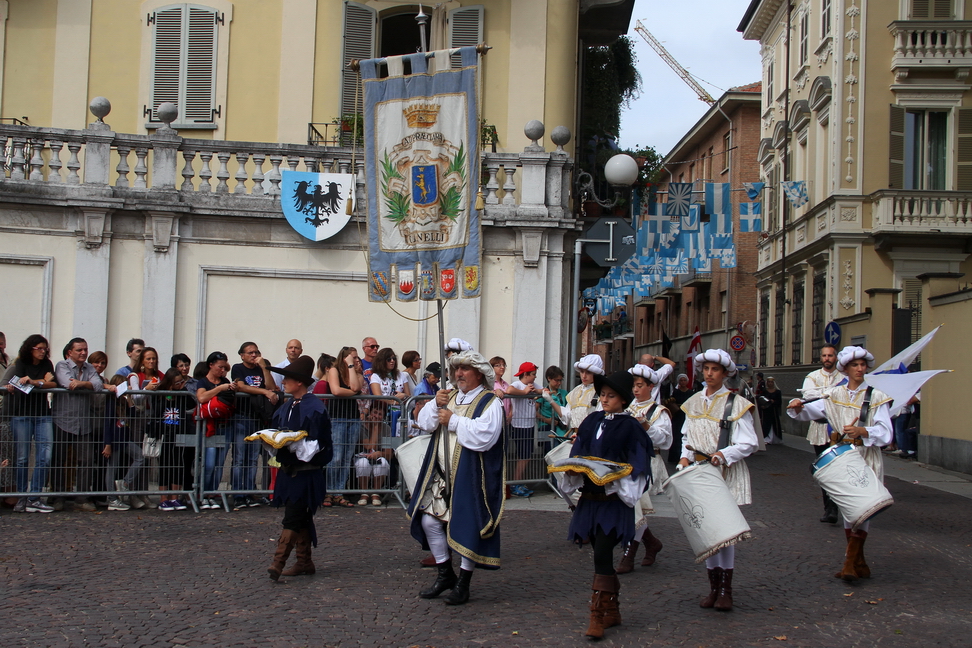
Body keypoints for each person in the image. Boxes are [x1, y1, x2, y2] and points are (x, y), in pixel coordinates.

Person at [787, 345, 893, 582]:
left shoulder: (875, 396)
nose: (859, 368)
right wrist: (797, 405)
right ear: (845, 368)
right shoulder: (834, 393)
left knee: (862, 510)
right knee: (848, 509)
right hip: (842, 456)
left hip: (864, 456)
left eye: (863, 365)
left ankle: (849, 563)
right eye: (854, 365)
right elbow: (812, 410)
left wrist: (862, 430)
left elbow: (886, 433)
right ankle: (858, 562)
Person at [559, 370, 650, 639]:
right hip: (590, 500)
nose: (605, 399)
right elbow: (578, 454)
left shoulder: (631, 427)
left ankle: (596, 615)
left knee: (602, 553)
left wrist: (614, 482)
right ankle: (613, 610)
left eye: (611, 396)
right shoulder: (590, 421)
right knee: (601, 556)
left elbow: (638, 466)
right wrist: (573, 471)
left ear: (623, 399)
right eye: (603, 395)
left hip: (614, 502)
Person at [410, 349, 505, 606]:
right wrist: (434, 404)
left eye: (465, 369)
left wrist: (454, 421)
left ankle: (464, 582)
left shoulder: (490, 402)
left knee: (465, 526)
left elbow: (486, 436)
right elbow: (425, 424)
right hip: (441, 473)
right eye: (456, 369)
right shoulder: (448, 396)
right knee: (430, 522)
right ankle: (445, 574)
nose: (458, 374)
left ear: (479, 374)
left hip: (470, 474)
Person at [678, 349, 758, 612]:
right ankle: (713, 587)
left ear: (725, 373)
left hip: (723, 472)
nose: (710, 374)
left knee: (725, 531)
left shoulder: (735, 404)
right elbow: (686, 437)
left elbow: (749, 442)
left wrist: (724, 454)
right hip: (699, 474)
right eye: (706, 369)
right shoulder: (692, 402)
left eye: (715, 369)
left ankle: (726, 589)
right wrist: (684, 459)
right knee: (707, 530)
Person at [264, 356, 333, 580]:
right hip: (288, 471)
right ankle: (305, 562)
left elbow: (317, 443)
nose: (284, 383)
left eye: (288, 379)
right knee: (300, 516)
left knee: (293, 517)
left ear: (300, 382)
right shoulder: (287, 407)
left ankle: (278, 562)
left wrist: (292, 444)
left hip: (306, 474)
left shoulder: (314, 408)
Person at [616, 363, 672, 574]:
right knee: (632, 506)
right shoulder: (628, 408)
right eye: (634, 386)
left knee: (635, 507)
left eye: (640, 385)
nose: (636, 390)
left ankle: (629, 554)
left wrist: (646, 425)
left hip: (648, 463)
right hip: (628, 463)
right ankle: (651, 542)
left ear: (651, 386)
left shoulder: (659, 411)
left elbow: (665, 440)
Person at [1, 335, 56, 513]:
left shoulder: (47, 364)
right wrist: (41, 382)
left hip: (42, 414)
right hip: (21, 415)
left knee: (44, 456)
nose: (43, 352)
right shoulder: (19, 364)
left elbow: (53, 383)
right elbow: (9, 383)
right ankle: (22, 497)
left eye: (45, 348)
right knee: (22, 458)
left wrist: (34, 382)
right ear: (30, 348)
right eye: (39, 348)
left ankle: (35, 497)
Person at [51, 338, 105, 512]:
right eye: (79, 350)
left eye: (85, 349)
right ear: (70, 352)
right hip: (63, 419)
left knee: (87, 460)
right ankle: (57, 497)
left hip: (84, 422)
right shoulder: (62, 365)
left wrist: (82, 383)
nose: (83, 353)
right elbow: (67, 384)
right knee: (59, 460)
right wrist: (85, 385)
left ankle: (82, 498)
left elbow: (97, 385)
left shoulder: (89, 368)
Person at [231, 342, 279, 509]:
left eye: (256, 352)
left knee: (252, 459)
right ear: (242, 355)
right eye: (250, 352)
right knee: (239, 458)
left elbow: (272, 387)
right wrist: (265, 392)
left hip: (258, 418)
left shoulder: (262, 368)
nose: (253, 355)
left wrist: (265, 367)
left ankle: (250, 492)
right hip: (242, 416)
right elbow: (241, 387)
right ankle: (238, 494)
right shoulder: (238, 368)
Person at [800, 345, 844, 522]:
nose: (827, 358)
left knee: (840, 470)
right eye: (824, 355)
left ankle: (840, 507)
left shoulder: (843, 378)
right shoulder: (812, 377)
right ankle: (829, 509)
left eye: (830, 355)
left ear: (836, 358)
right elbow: (810, 400)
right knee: (825, 469)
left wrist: (825, 397)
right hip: (819, 429)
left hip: (839, 430)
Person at [361, 347, 409, 505]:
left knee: (400, 450)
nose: (392, 361)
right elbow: (378, 396)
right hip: (386, 416)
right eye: (389, 359)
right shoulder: (376, 376)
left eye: (394, 358)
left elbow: (408, 395)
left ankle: (401, 487)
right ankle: (378, 489)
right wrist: (396, 400)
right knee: (385, 449)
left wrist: (403, 397)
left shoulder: (402, 375)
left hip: (401, 417)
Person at [196, 351, 238, 510]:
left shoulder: (225, 380)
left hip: (224, 425)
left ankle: (212, 493)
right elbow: (201, 398)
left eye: (224, 367)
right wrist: (220, 389)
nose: (222, 370)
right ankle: (203, 493)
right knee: (209, 463)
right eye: (220, 367)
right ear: (211, 365)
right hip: (209, 428)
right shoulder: (203, 382)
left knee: (219, 464)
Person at [324, 346, 363, 508]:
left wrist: (351, 368)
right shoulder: (334, 371)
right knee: (336, 456)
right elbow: (336, 390)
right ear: (345, 357)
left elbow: (355, 387)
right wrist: (354, 393)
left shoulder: (357, 374)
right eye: (352, 357)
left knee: (347, 457)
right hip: (337, 417)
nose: (356, 360)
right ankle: (328, 491)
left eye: (356, 357)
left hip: (352, 418)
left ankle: (339, 492)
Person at [155, 367, 194, 511]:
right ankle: (163, 498)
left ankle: (175, 497)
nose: (180, 384)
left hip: (179, 432)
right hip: (165, 433)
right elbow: (158, 410)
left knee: (178, 465)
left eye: (181, 382)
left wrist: (183, 390)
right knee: (165, 466)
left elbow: (192, 404)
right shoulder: (161, 394)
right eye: (177, 382)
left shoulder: (184, 393)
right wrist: (170, 394)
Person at [506, 362, 541, 495]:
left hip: (529, 424)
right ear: (525, 374)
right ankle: (516, 483)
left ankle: (518, 482)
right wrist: (524, 392)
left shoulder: (533, 385)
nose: (535, 377)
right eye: (533, 374)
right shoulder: (517, 385)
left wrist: (536, 391)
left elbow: (545, 391)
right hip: (519, 425)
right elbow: (509, 391)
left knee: (527, 455)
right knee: (524, 455)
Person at [566, 354, 605, 436]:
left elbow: (599, 418)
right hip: (575, 435)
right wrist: (551, 401)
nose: (584, 376)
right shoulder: (575, 391)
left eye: (588, 372)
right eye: (582, 372)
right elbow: (567, 416)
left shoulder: (600, 391)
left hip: (591, 435)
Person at [537, 365, 569, 452]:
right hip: (546, 427)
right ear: (549, 378)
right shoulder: (543, 393)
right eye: (556, 380)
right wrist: (547, 420)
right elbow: (534, 412)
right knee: (549, 452)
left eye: (560, 380)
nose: (559, 383)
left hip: (561, 427)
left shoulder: (564, 393)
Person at [666, 373, 695, 463]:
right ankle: (674, 457)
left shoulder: (691, 393)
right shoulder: (675, 392)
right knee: (676, 436)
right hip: (677, 416)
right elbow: (670, 402)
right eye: (681, 380)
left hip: (686, 415)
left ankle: (686, 456)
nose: (683, 382)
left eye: (684, 380)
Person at [758, 377, 783, 445]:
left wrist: (773, 401)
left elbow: (779, 402)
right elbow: (761, 399)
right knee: (766, 424)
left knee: (775, 424)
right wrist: (762, 405)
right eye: (769, 382)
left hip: (774, 410)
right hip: (766, 410)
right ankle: (766, 438)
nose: (770, 383)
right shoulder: (764, 391)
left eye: (771, 382)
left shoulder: (778, 392)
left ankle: (775, 438)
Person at [489, 356, 513, 424]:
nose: (502, 367)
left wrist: (511, 414)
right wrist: (494, 392)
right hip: (494, 419)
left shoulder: (506, 384)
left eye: (503, 365)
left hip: (506, 419)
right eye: (498, 365)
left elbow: (510, 402)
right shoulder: (488, 383)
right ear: (491, 368)